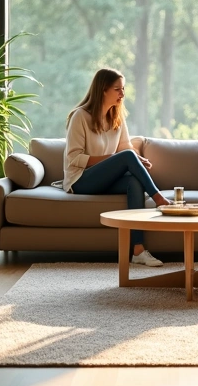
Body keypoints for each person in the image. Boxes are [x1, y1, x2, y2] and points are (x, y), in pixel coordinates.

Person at [60, 68, 170, 267]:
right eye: (117, 89)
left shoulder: (117, 117)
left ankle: (138, 251)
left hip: (103, 180)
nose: (122, 94)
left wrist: (138, 161)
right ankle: (158, 197)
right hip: (81, 180)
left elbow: (125, 148)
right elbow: (74, 158)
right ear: (103, 89)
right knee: (126, 157)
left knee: (134, 181)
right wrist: (117, 158)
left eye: (123, 89)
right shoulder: (80, 116)